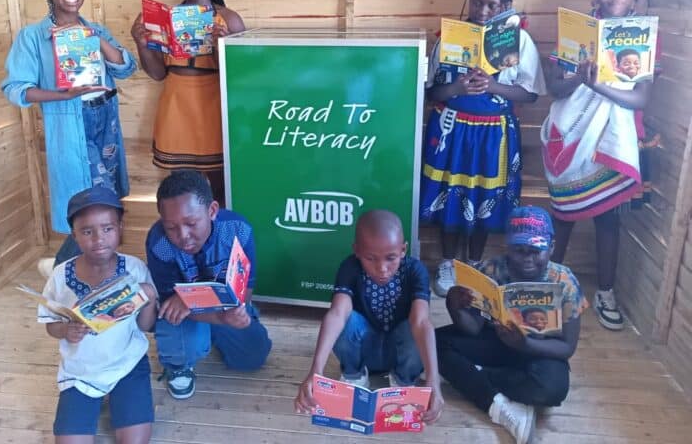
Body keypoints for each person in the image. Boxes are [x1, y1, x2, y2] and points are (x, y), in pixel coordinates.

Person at [541, 0, 657, 330]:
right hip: (572, 136)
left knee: (609, 219)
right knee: (563, 215)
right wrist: (579, 79)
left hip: (612, 139)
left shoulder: (641, 38)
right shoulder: (576, 31)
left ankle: (605, 290)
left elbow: (639, 98)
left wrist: (598, 85)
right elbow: (555, 89)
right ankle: (546, 288)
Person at [1, 0, 137, 272]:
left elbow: (126, 67)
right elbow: (16, 89)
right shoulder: (33, 37)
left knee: (107, 198)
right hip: (71, 125)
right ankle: (65, 267)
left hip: (105, 122)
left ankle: (80, 267)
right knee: (90, 201)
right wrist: (62, 95)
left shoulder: (95, 29)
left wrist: (91, 36)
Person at [420, 0, 546, 297]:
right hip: (453, 132)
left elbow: (530, 93)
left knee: (485, 198)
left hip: (495, 135)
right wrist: (459, 86)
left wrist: (492, 85)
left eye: (492, 5)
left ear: (506, 6)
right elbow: (431, 92)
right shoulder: (449, 38)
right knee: (452, 193)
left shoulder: (519, 41)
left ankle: (473, 263)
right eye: (477, 3)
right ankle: (448, 262)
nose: (483, 12)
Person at [437, 206, 587, 444]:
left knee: (553, 389)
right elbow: (473, 329)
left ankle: (470, 377)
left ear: (552, 248)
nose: (528, 258)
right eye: (519, 250)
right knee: (435, 343)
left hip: (539, 351)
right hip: (495, 341)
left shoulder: (565, 281)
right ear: (506, 247)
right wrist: (453, 306)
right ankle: (500, 403)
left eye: (536, 251)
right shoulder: (489, 270)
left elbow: (567, 348)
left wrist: (526, 343)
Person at [294, 210, 444, 424]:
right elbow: (337, 313)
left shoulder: (415, 270)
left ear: (403, 250)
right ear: (357, 251)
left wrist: (433, 381)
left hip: (399, 354)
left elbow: (421, 322)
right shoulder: (350, 267)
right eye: (370, 258)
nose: (382, 268)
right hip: (365, 351)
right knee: (345, 319)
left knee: (415, 327)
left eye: (390, 258)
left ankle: (403, 380)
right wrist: (315, 372)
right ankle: (354, 375)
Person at [38, 187, 158, 443]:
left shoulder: (135, 269)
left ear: (120, 228)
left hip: (127, 364)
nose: (99, 239)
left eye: (107, 228)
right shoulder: (60, 275)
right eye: (87, 231)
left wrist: (149, 298)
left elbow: (146, 326)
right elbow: (50, 324)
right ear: (74, 235)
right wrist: (66, 331)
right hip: (80, 372)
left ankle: (120, 399)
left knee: (135, 441)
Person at [131, 0, 245, 205]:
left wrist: (221, 48)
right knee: (181, 187)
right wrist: (140, 42)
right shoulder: (164, 19)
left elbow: (240, 78)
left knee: (220, 187)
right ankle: (186, 242)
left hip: (213, 108)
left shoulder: (229, 20)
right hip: (176, 106)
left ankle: (220, 239)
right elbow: (158, 73)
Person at [145, 169, 272, 400]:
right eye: (171, 227)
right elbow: (169, 305)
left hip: (224, 305)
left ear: (212, 211)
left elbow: (246, 289)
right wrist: (214, 314)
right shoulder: (159, 243)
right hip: (185, 315)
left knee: (253, 356)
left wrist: (206, 305)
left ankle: (221, 329)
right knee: (179, 330)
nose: (182, 235)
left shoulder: (239, 230)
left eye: (191, 223)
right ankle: (177, 364)